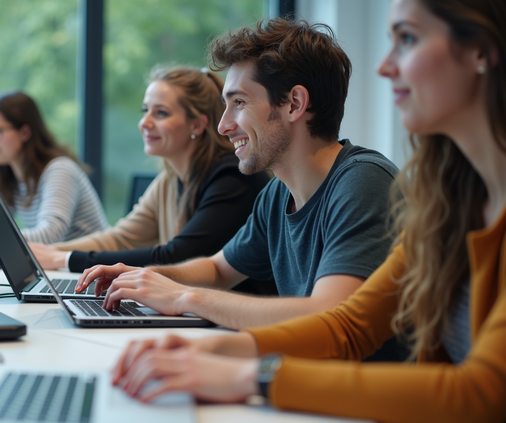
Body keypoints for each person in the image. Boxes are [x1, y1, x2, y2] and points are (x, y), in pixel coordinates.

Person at [108, 1, 506, 421]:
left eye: (407, 38)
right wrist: (209, 349)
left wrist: (252, 376)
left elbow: (482, 393)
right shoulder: (449, 199)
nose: (384, 66)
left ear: (480, 51)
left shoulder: (367, 181)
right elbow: (347, 326)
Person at [74, 18, 403, 343]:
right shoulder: (277, 194)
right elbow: (218, 270)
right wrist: (145, 278)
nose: (223, 126)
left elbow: (326, 317)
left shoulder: (363, 181)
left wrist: (182, 297)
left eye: (239, 103)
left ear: (295, 104)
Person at [30, 66, 271, 291]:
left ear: (197, 125)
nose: (145, 123)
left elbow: (176, 256)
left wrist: (63, 259)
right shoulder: (169, 180)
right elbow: (121, 238)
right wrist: (49, 252)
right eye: (145, 110)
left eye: (161, 113)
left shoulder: (231, 177)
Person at [0, 91, 109, 244]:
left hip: (92, 265)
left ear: (25, 132)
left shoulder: (60, 169)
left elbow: (49, 235)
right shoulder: (12, 180)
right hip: (61, 266)